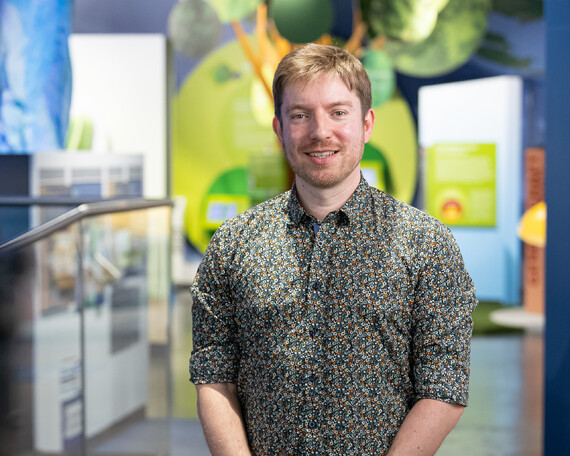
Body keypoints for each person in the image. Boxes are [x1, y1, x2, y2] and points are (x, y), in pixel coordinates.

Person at [189, 43, 477, 455]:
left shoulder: (426, 245)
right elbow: (214, 375)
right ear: (279, 129)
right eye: (300, 115)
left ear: (366, 124)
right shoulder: (233, 245)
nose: (320, 131)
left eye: (338, 112)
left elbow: (443, 387)